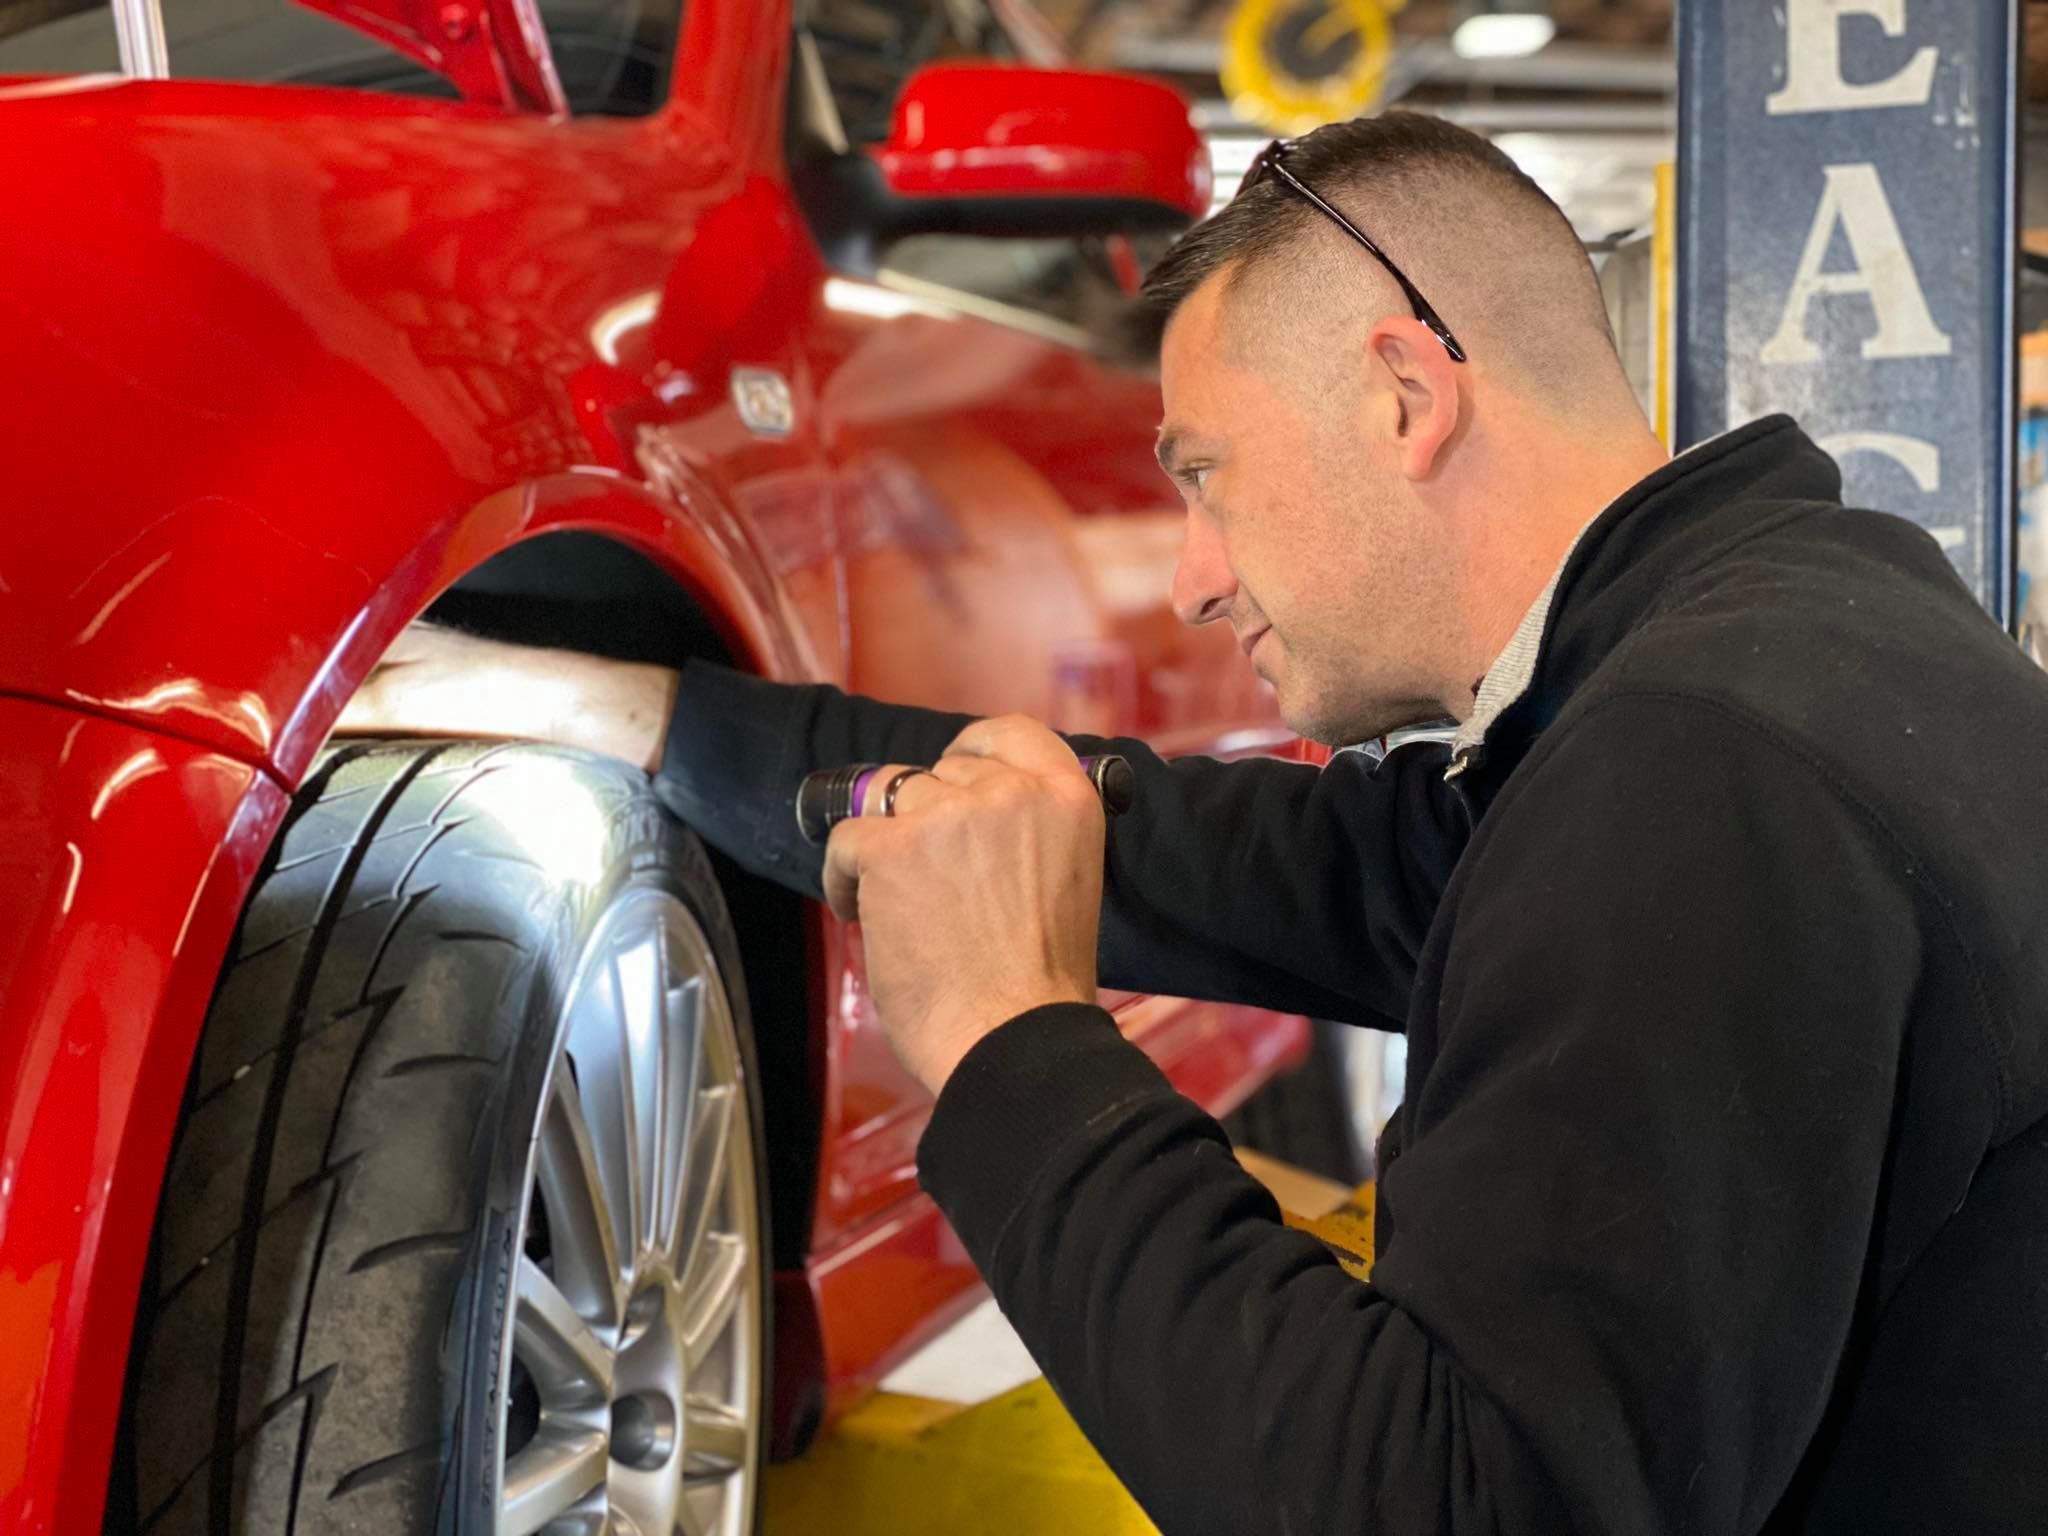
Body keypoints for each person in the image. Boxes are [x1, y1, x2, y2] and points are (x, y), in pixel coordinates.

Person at [342, 114, 2048, 1533]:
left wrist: (1015, 1043)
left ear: (1402, 393)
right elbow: (1241, 859)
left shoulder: (1699, 774)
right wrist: (658, 722)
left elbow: (1443, 1507)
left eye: (1206, 473)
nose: (1193, 577)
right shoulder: (1747, 655)